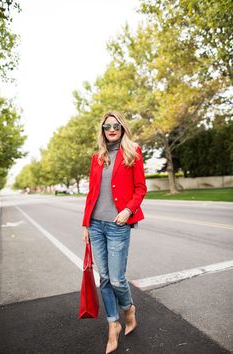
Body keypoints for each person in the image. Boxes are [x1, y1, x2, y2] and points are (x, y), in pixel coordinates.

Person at [82, 111, 147, 354]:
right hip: (96, 224)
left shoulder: (133, 152)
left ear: (122, 128)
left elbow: (141, 188)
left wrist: (128, 211)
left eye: (115, 125)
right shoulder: (97, 157)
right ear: (102, 130)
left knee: (118, 278)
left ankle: (129, 309)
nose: (111, 129)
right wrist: (85, 224)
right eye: (107, 126)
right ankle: (113, 324)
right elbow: (91, 193)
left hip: (118, 224)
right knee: (105, 279)